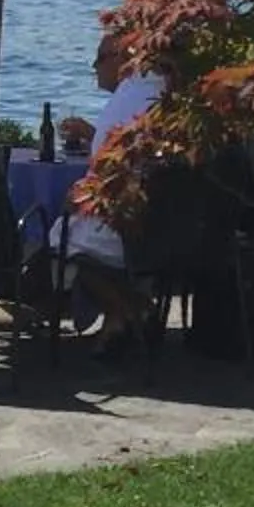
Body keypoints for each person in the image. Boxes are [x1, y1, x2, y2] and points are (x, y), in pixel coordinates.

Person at [64, 27, 164, 359]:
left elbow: (110, 169)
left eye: (100, 58)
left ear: (123, 59)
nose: (95, 67)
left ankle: (125, 311)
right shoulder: (158, 89)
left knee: (63, 236)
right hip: (169, 223)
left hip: (129, 223)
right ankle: (131, 311)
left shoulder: (131, 95)